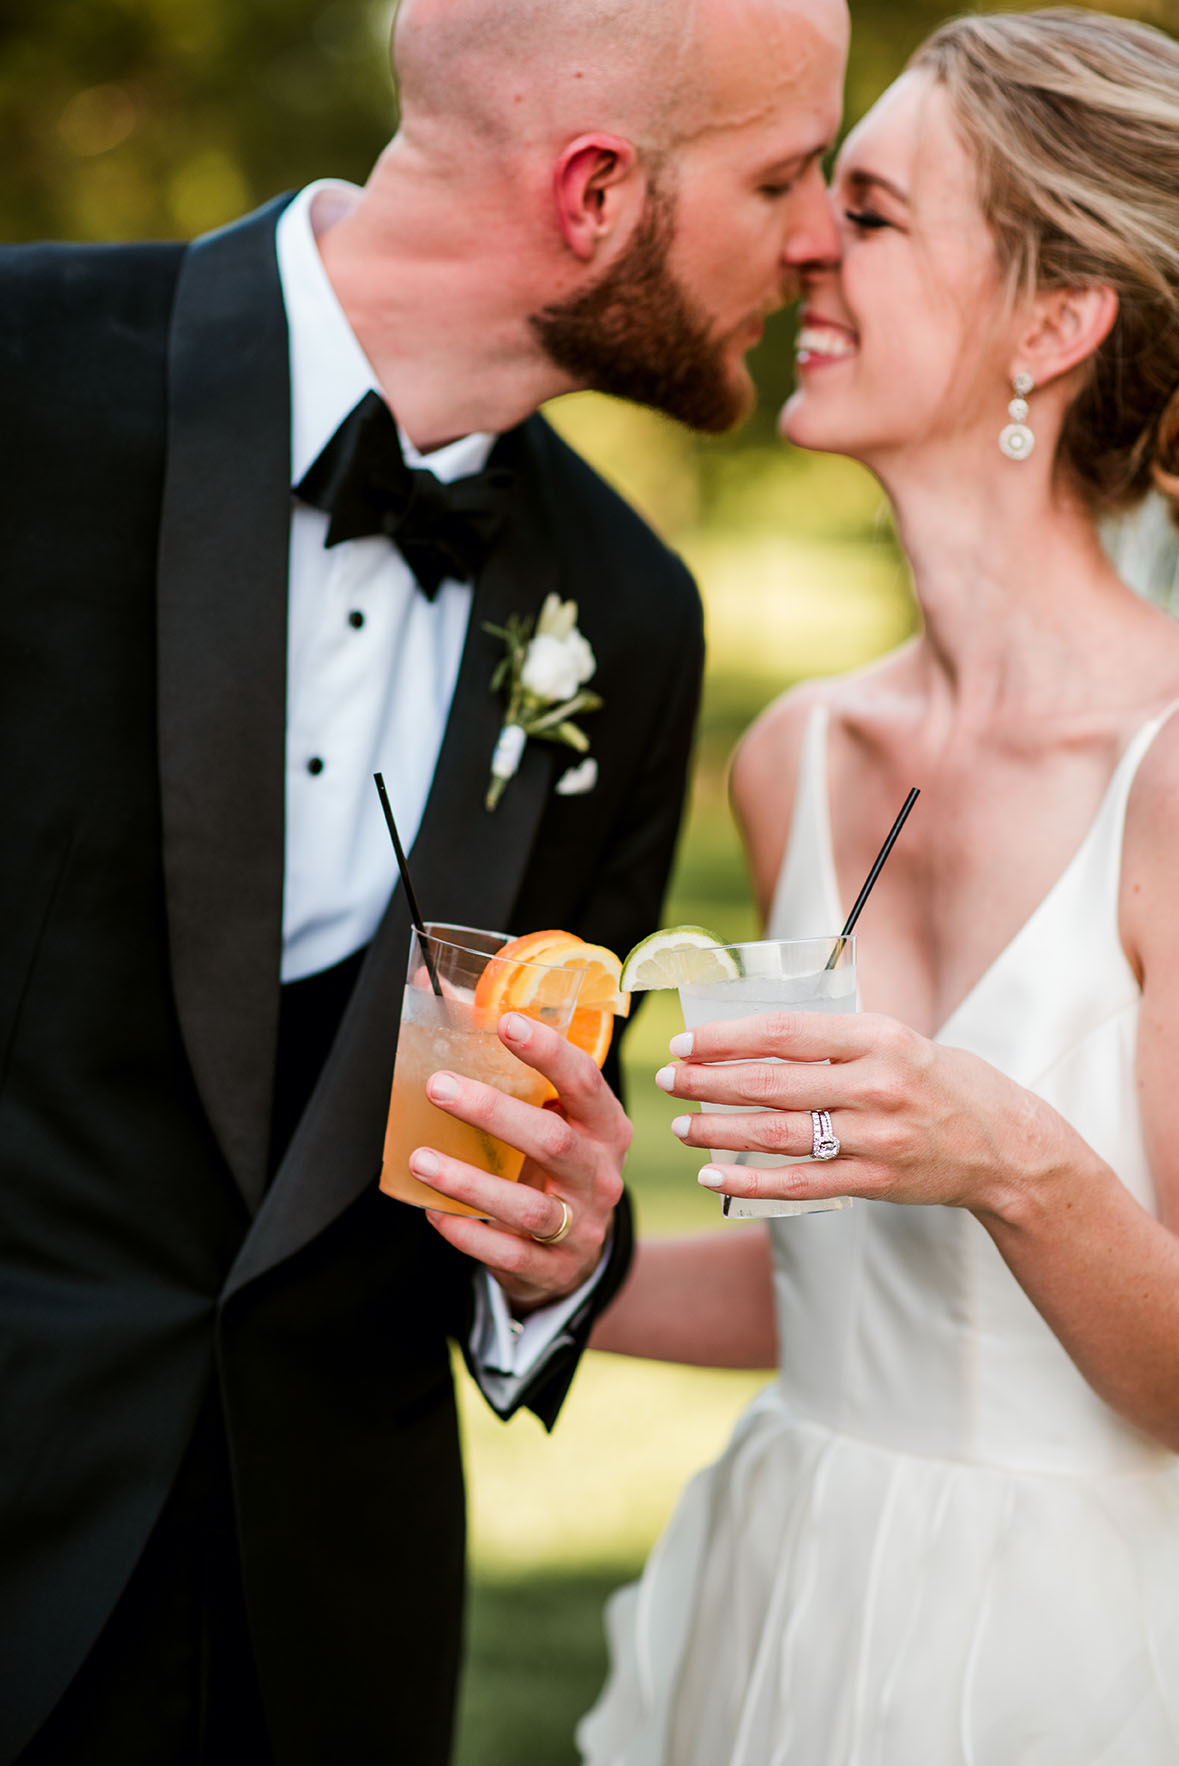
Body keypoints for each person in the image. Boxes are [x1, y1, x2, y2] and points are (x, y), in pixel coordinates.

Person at [0, 0, 851, 1760]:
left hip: (329, 1645)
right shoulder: (24, 373)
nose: (822, 232)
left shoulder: (630, 618)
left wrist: (552, 1259)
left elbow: (517, 1175)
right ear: (597, 191)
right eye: (783, 173)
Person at [570, 10, 1179, 1763]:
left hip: (1078, 1652)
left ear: (1058, 325)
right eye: (822, 197)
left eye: (881, 213)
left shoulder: (1171, 779)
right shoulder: (798, 759)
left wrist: (1002, 1149)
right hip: (789, 1590)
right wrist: (557, 1265)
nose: (808, 244)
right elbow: (840, 1292)